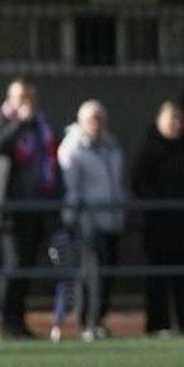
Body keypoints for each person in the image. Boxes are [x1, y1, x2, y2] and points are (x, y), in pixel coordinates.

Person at [0, 78, 59, 339]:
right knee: (12, 265)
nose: (25, 103)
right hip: (9, 210)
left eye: (29, 98)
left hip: (35, 207)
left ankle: (17, 320)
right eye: (20, 98)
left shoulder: (40, 124)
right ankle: (2, 319)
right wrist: (20, 122)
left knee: (26, 266)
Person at [132, 100, 184, 335]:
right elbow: (140, 183)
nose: (175, 124)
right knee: (158, 276)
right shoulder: (149, 150)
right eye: (170, 118)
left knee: (183, 278)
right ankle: (158, 324)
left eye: (178, 119)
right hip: (158, 225)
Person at [57, 100, 126, 340]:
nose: (97, 124)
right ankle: (89, 321)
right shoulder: (73, 148)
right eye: (92, 119)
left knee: (108, 272)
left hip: (112, 218)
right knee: (91, 273)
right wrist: (72, 216)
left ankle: (100, 319)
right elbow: (72, 186)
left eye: (100, 119)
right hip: (88, 221)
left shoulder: (111, 146)